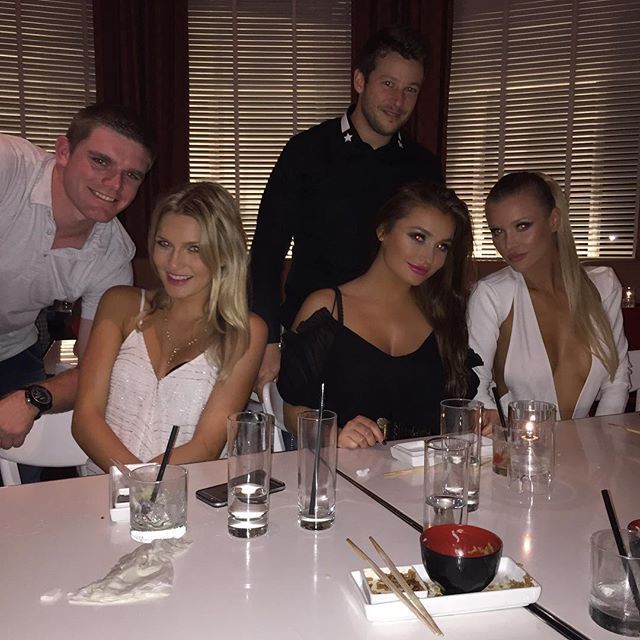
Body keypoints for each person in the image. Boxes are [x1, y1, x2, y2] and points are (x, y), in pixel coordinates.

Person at [250, 26, 443, 394]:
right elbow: (266, 251)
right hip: (312, 332)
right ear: (360, 81)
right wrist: (268, 339)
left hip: (393, 341)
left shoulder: (423, 168)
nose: (398, 100)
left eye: (411, 89)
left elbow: (435, 261)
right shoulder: (305, 152)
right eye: (388, 84)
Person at [72, 182, 267, 472]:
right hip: (105, 484)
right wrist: (137, 482)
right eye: (164, 244)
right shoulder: (120, 305)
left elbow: (207, 445)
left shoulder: (243, 330)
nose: (174, 263)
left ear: (225, 254)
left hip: (187, 488)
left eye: (194, 249)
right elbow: (85, 419)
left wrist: (150, 486)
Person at [0, 104, 155, 455]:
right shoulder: (9, 166)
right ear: (64, 152)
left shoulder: (113, 257)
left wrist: (34, 398)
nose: (115, 185)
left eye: (132, 175)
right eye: (100, 161)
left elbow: (94, 371)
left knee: (28, 475)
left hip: (12, 353)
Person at [278, 182, 479, 448]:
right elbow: (292, 412)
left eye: (442, 246)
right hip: (347, 469)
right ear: (383, 230)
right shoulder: (328, 308)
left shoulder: (443, 314)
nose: (428, 257)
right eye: (418, 237)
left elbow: (452, 410)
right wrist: (333, 434)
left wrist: (479, 420)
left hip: (424, 469)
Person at [467, 171, 630, 423]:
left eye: (522, 226)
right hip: (516, 444)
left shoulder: (603, 285)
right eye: (497, 231)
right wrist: (505, 440)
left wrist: (601, 437)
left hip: (589, 444)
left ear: (554, 220)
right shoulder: (491, 295)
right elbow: (474, 387)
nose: (509, 243)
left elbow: (616, 379)